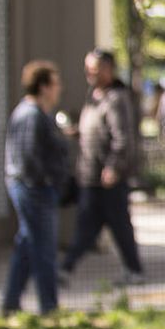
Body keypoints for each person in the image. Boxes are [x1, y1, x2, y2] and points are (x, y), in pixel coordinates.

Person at [61, 49, 146, 284]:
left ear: (108, 70)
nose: (89, 73)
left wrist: (114, 167)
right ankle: (67, 267)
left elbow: (123, 138)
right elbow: (96, 129)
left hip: (108, 177)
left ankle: (133, 270)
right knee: (89, 227)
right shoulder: (95, 96)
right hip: (89, 175)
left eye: (94, 69)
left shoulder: (117, 98)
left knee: (115, 225)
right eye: (88, 68)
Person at [1, 61, 74, 315]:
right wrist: (46, 182)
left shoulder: (37, 115)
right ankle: (49, 306)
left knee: (26, 245)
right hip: (34, 189)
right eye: (55, 84)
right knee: (43, 248)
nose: (59, 90)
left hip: (33, 187)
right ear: (43, 87)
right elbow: (29, 156)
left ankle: (11, 302)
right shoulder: (30, 116)